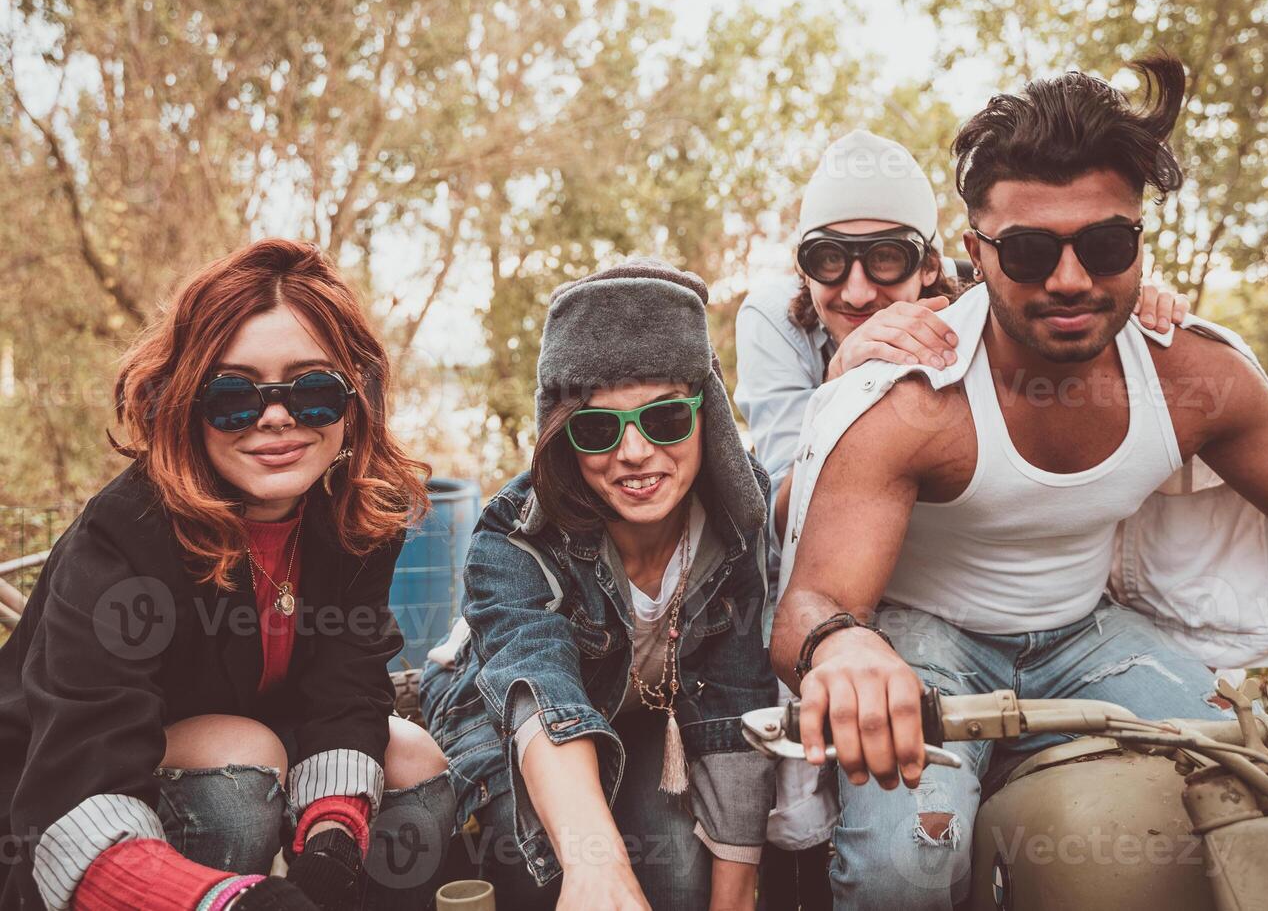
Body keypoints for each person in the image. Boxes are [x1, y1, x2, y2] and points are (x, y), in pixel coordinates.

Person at [768, 58, 1268, 909]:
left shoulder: (1195, 378)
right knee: (902, 867)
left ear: (1140, 237)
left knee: (1258, 779)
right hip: (929, 637)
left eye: (1104, 244)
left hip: (1089, 633)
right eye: (1028, 251)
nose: (1070, 279)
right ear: (973, 253)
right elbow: (812, 601)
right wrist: (844, 647)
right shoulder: (914, 403)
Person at [0, 239, 456, 911]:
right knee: (242, 760)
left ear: (356, 400)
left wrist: (333, 831)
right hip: (56, 806)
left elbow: (345, 690)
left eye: (314, 390)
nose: (277, 417)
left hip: (251, 751)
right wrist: (231, 901)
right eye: (235, 396)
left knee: (412, 757)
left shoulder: (354, 515)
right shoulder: (122, 538)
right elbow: (75, 785)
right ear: (186, 404)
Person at [418, 260, 777, 911]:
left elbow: (734, 712)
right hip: (503, 714)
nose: (635, 452)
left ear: (708, 414)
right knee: (539, 861)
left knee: (676, 871)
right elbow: (538, 694)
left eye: (665, 418)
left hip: (641, 718)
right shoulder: (511, 537)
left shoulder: (741, 522)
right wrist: (595, 865)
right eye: (598, 428)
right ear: (564, 439)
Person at [734, 129, 1190, 541]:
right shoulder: (773, 318)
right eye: (828, 260)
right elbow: (777, 525)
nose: (857, 292)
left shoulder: (989, 299)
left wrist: (1122, 306)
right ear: (802, 267)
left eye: (887, 258)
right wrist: (835, 395)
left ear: (930, 266)